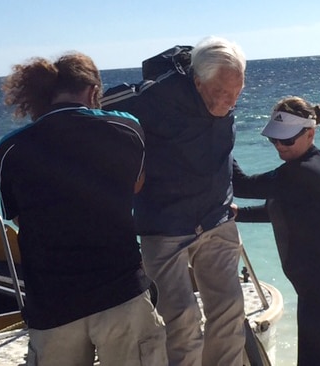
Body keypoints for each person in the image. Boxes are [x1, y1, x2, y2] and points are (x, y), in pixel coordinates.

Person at [0, 53, 167, 366]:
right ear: (92, 92)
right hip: (121, 292)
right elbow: (136, 186)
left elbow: (20, 218)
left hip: (52, 305)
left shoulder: (12, 149)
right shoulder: (127, 128)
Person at [102, 36, 247, 366]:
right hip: (165, 225)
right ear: (197, 81)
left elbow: (220, 151)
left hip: (216, 219)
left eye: (236, 94)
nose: (228, 101)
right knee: (181, 318)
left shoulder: (227, 100)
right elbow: (101, 107)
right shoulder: (158, 96)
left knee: (229, 310)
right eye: (220, 92)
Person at [231, 96, 320, 366]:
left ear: (310, 133)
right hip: (316, 287)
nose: (279, 146)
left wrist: (216, 134)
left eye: (287, 140)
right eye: (274, 139)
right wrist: (238, 214)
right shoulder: (302, 168)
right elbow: (280, 211)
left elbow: (241, 185)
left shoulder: (304, 171)